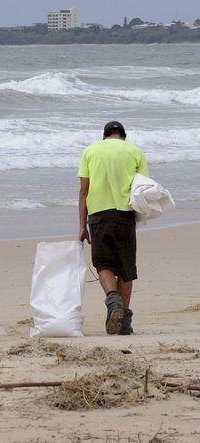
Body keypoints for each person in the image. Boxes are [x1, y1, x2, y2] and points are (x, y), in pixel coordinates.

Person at [78, 121, 149, 335]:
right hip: (125, 215)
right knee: (126, 269)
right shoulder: (135, 151)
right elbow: (144, 187)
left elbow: (83, 192)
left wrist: (82, 226)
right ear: (123, 136)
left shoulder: (89, 151)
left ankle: (112, 300)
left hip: (98, 214)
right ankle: (124, 323)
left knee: (103, 263)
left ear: (104, 136)